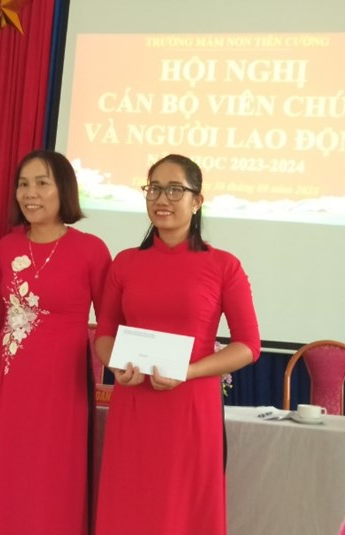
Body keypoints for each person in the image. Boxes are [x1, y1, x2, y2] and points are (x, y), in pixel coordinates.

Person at [92, 154, 260, 535]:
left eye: (174, 190)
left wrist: (190, 370)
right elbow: (104, 335)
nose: (161, 199)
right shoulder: (125, 263)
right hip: (133, 402)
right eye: (153, 189)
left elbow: (248, 345)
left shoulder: (224, 266)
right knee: (130, 506)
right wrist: (116, 365)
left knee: (184, 512)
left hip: (191, 407)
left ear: (197, 201)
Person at [0, 150, 111, 534]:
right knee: (7, 472)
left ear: (63, 189)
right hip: (9, 382)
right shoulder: (6, 247)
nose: (29, 193)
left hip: (63, 387)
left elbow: (110, 323)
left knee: (53, 476)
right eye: (23, 184)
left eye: (41, 183)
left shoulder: (91, 249)